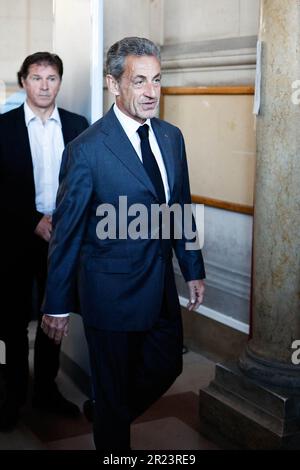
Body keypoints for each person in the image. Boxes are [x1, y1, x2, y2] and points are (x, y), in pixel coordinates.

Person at [42, 37, 205, 450]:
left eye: (157, 80)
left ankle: (108, 412)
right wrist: (56, 303)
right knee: (114, 396)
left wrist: (192, 268)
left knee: (167, 364)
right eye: (139, 81)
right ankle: (111, 428)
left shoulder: (172, 137)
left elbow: (179, 205)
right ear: (114, 84)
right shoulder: (87, 149)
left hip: (160, 285)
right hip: (109, 293)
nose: (151, 92)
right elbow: (67, 231)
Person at [0, 52, 89, 431]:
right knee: (13, 318)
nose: (44, 85)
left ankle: (46, 391)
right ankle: (13, 395)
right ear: (24, 82)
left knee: (55, 315)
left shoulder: (77, 125)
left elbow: (85, 181)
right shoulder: (2, 127)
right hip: (15, 237)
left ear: (59, 82)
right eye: (36, 78)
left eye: (51, 78)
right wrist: (33, 220)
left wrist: (64, 223)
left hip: (63, 237)